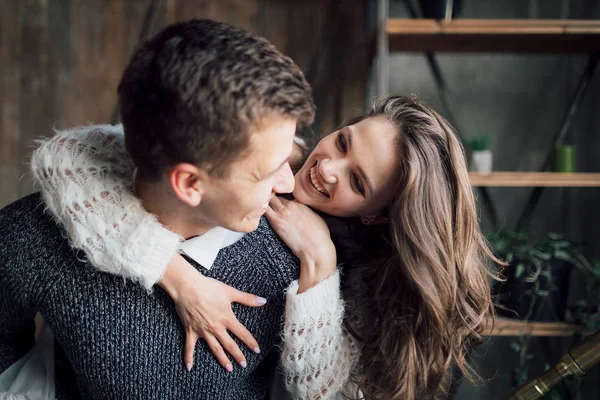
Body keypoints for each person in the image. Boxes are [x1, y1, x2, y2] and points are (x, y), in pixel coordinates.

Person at [28, 95, 502, 400]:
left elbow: (331, 396)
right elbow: (65, 159)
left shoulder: (351, 282)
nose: (328, 167)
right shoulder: (270, 147)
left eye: (356, 181)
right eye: (342, 142)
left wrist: (320, 264)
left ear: (377, 214)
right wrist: (178, 277)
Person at [0, 19, 316, 399]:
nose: (288, 184)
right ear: (188, 184)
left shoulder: (297, 259)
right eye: (268, 171)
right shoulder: (34, 237)